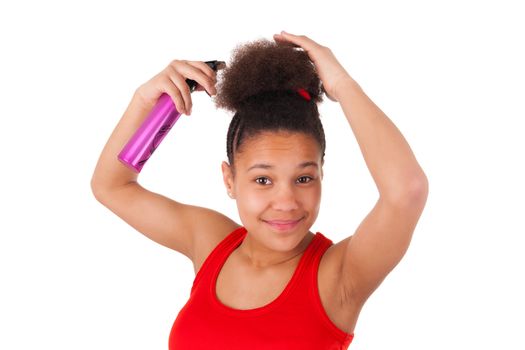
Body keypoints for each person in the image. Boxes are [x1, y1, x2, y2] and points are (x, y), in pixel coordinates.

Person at [91, 31, 429, 350]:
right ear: (229, 180)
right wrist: (147, 102)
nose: (286, 202)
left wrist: (343, 86)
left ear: (322, 175)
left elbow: (406, 190)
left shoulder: (338, 276)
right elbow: (112, 185)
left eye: (304, 178)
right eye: (263, 180)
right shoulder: (211, 244)